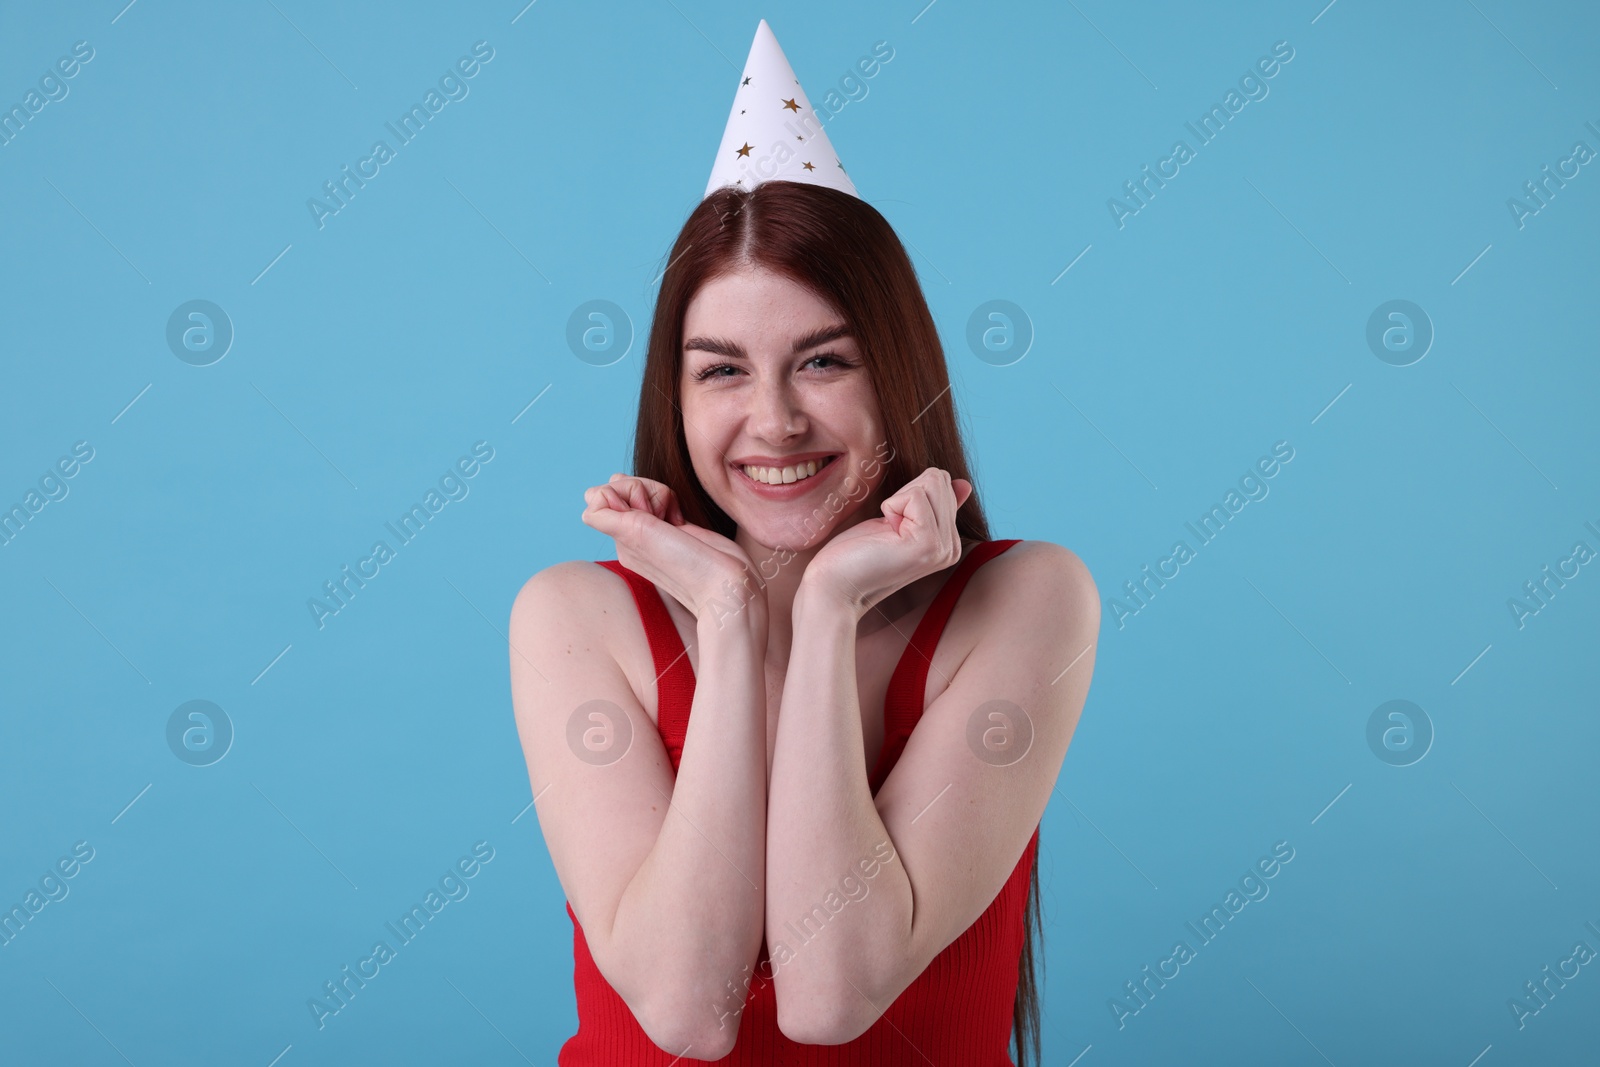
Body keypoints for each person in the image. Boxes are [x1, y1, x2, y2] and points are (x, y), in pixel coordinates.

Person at [509, 22, 1098, 1065]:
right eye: (722, 370)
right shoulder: (574, 615)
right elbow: (688, 1012)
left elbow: (831, 993)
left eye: (822, 361)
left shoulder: (1027, 600)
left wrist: (826, 610)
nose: (774, 421)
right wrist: (730, 618)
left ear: (894, 368)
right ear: (675, 395)